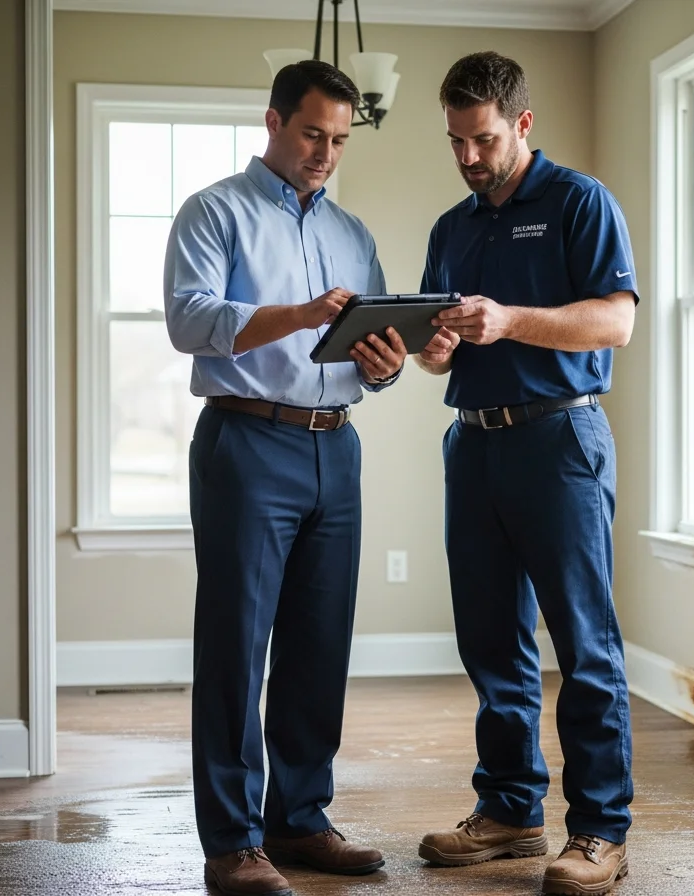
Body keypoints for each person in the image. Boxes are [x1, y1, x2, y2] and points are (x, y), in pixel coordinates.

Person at [164, 59, 406, 896]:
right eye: (313, 134)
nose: (326, 153)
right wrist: (299, 315)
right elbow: (190, 319)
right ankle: (233, 841)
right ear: (272, 122)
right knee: (237, 642)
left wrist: (384, 363)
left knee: (319, 641)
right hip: (247, 440)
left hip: (336, 448)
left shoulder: (354, 233)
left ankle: (299, 819)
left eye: (339, 140)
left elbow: (376, 359)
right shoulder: (214, 212)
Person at [413, 51, 638, 896]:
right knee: (490, 642)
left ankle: (599, 832)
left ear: (522, 124)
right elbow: (440, 356)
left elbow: (614, 323)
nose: (469, 158)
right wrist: (434, 348)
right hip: (471, 444)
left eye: (483, 139)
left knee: (584, 645)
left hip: (560, 442)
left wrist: (507, 320)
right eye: (456, 143)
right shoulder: (452, 227)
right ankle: (510, 808)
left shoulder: (581, 202)